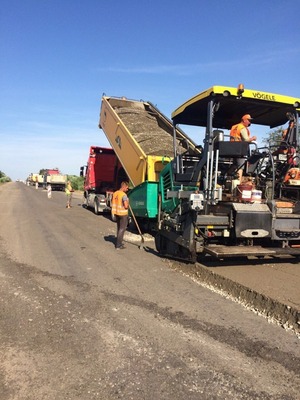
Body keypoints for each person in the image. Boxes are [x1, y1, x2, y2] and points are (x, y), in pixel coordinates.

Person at [230, 114, 257, 182]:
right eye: (248, 120)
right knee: (240, 167)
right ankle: (238, 184)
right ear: (244, 120)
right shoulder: (242, 128)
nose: (249, 122)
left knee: (235, 165)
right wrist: (253, 138)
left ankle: (229, 177)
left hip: (232, 148)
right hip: (240, 149)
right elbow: (246, 139)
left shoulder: (234, 126)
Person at [111, 181, 129, 250]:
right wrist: (128, 201)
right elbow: (126, 206)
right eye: (127, 188)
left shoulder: (115, 193)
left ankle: (118, 242)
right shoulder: (123, 195)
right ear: (124, 187)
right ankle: (118, 245)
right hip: (123, 214)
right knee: (122, 229)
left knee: (119, 228)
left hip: (116, 213)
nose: (127, 190)